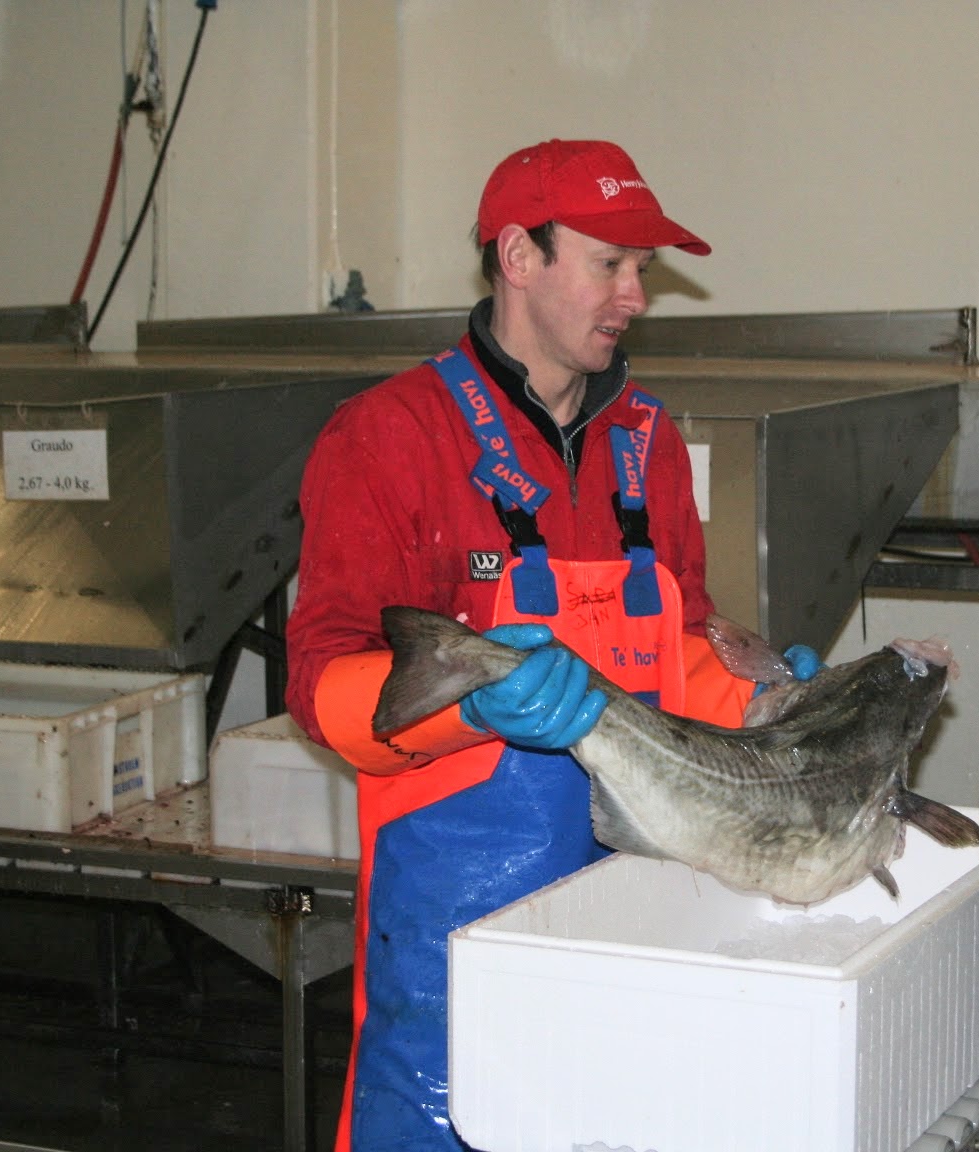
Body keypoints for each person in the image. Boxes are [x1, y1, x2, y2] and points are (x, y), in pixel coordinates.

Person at [284, 138, 820, 1152]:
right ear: (518, 255)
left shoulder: (648, 444)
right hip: (459, 923)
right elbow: (319, 687)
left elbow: (676, 645)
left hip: (643, 898)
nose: (637, 297)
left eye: (643, 270)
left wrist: (756, 700)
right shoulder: (388, 436)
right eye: (610, 264)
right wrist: (468, 702)